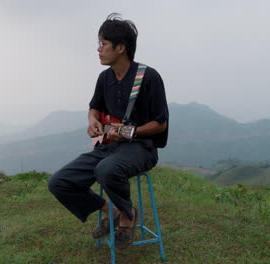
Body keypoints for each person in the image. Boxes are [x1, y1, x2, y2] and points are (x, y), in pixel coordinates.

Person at [48, 13, 169, 250]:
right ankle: (112, 210)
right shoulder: (104, 78)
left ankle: (128, 217)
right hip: (109, 146)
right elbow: (94, 107)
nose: (98, 49)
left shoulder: (148, 77)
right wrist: (92, 120)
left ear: (121, 47)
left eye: (103, 44)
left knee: (106, 169)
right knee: (59, 182)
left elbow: (160, 123)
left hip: (141, 148)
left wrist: (128, 132)